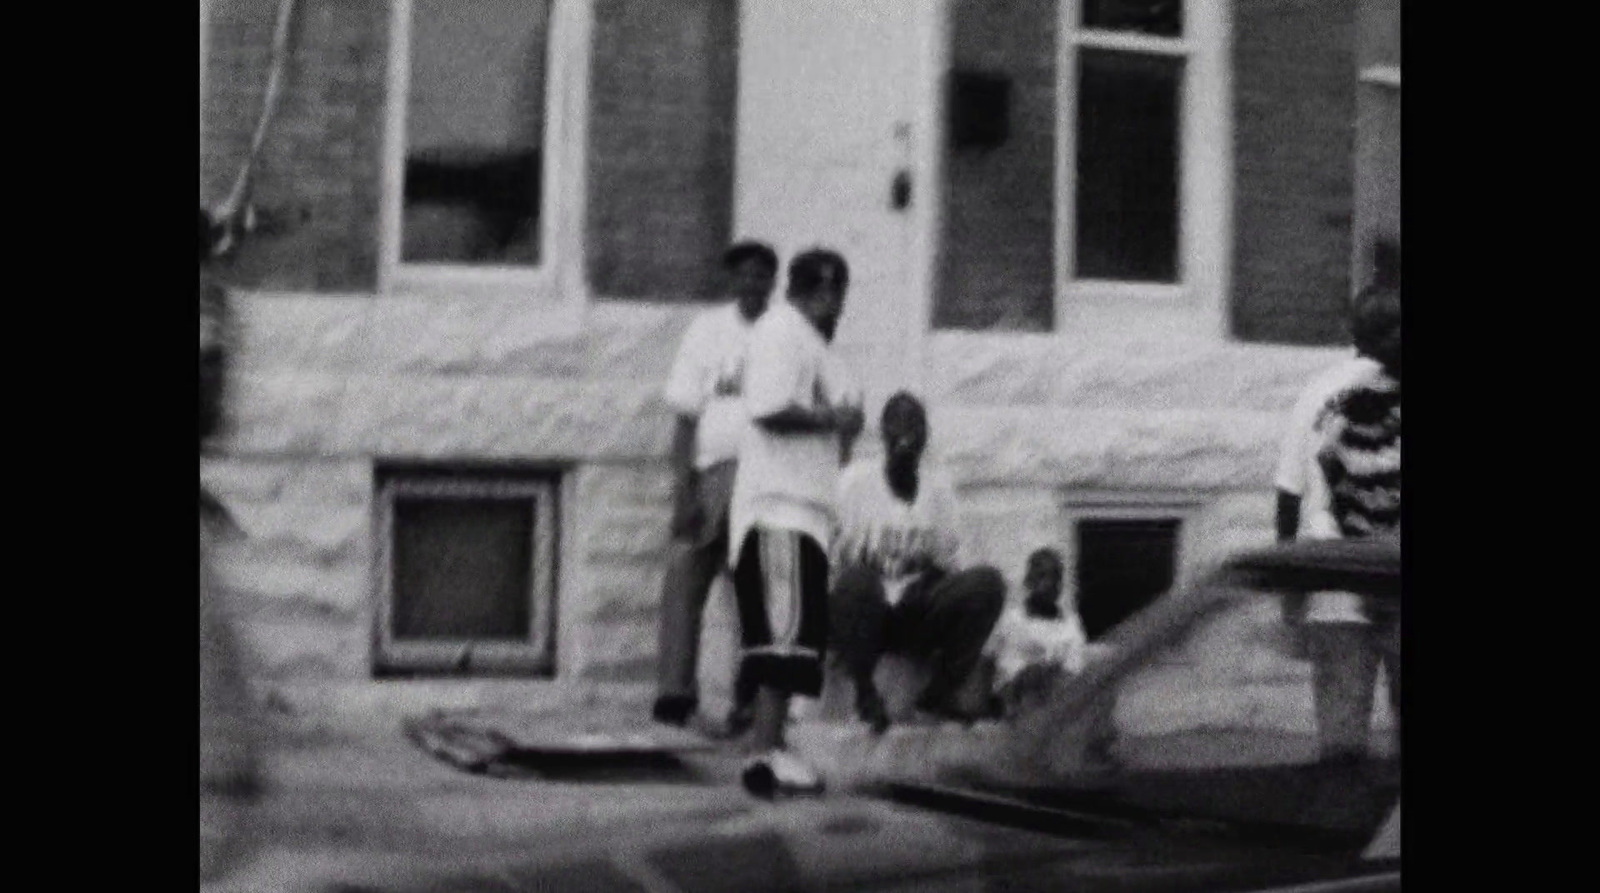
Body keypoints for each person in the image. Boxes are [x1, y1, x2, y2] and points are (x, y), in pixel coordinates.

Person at [729, 249, 863, 797]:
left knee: (794, 641)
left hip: (806, 510)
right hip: (778, 507)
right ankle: (763, 751)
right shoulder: (781, 330)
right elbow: (768, 407)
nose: (838, 308)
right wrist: (834, 417)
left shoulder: (813, 343)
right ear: (822, 290)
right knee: (782, 641)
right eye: (835, 295)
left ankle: (770, 749)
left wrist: (844, 422)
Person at [652, 242, 780, 734]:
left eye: (762, 275)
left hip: (765, 478)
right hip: (711, 475)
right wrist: (683, 490)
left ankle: (746, 702)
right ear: (733, 281)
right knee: (685, 580)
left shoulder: (786, 335)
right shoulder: (707, 331)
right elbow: (685, 416)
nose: (753, 284)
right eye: (745, 275)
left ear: (773, 282)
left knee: (757, 596)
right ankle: (674, 696)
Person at [829, 392, 1006, 734]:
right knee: (856, 582)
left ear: (926, 436)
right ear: (883, 431)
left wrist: (938, 575)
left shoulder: (939, 490)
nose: (906, 431)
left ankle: (937, 695)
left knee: (988, 583)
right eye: (897, 421)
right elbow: (827, 553)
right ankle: (866, 697)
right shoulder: (854, 481)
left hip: (914, 612)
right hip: (864, 612)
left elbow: (955, 562)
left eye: (916, 423)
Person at [1300, 285, 1401, 763]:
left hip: (1343, 592)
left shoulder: (1320, 394)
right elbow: (1312, 490)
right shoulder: (1336, 402)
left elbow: (1297, 494)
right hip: (1350, 591)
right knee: (1345, 752)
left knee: (1342, 751)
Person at [986, 547, 1089, 718]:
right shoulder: (1011, 620)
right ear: (1028, 581)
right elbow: (994, 666)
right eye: (1041, 576)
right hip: (1018, 701)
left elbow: (1075, 668)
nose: (1048, 584)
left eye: (1055, 578)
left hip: (1057, 702)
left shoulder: (1071, 624)